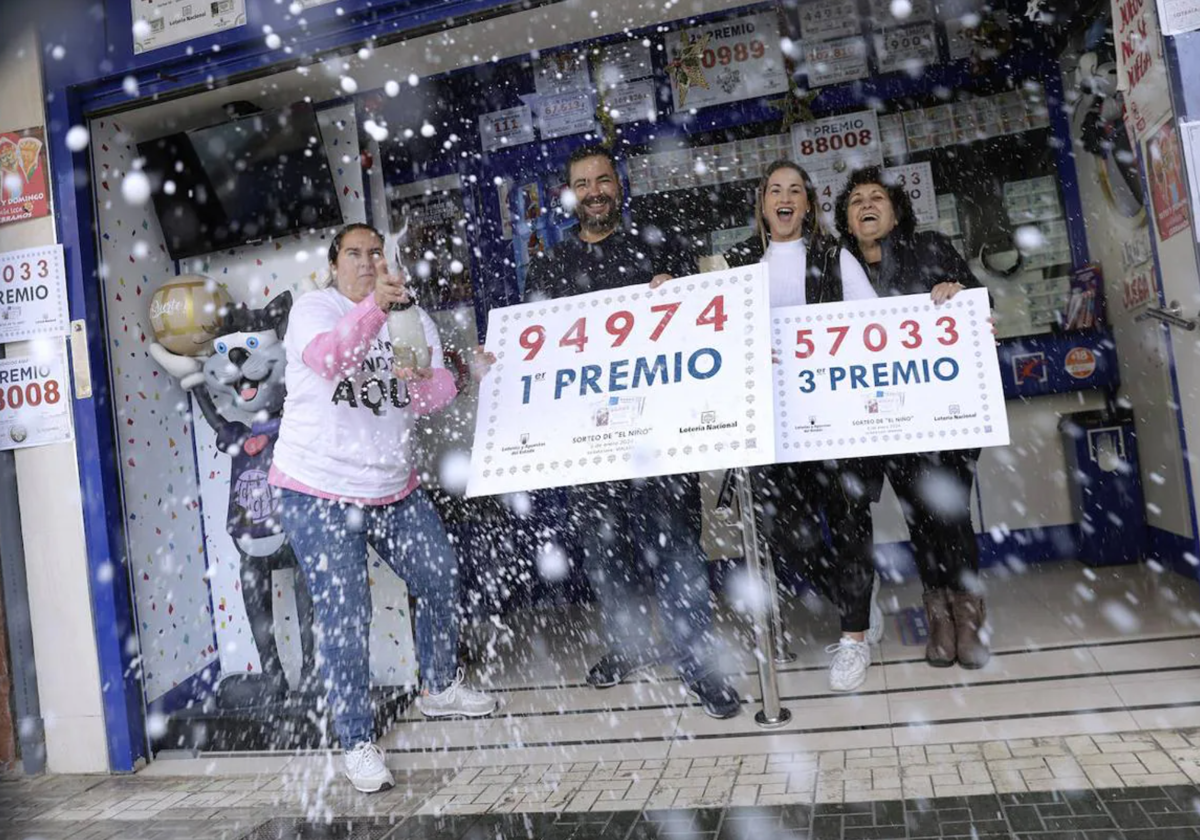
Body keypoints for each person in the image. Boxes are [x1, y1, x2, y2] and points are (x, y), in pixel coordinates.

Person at [270, 222, 497, 794]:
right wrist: (373, 308)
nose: (367, 261)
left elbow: (430, 394)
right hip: (316, 487)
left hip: (390, 485)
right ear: (334, 263)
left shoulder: (408, 315)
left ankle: (439, 687)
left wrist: (436, 377)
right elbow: (331, 361)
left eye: (376, 252)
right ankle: (355, 739)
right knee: (346, 615)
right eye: (355, 253)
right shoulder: (312, 310)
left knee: (438, 574)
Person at [524, 144, 741, 719]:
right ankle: (627, 648)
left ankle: (699, 663)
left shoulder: (661, 244)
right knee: (604, 557)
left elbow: (705, 321)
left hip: (662, 435)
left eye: (603, 180)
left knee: (679, 555)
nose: (594, 191)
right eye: (582, 182)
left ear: (618, 185)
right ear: (569, 195)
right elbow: (534, 352)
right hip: (591, 444)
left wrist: (683, 293)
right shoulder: (550, 266)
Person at [715, 159, 884, 693]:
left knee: (851, 522)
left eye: (795, 190)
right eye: (774, 190)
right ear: (762, 202)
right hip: (772, 426)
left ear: (808, 204)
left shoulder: (836, 257)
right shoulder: (737, 263)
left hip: (836, 420)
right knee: (788, 536)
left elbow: (873, 324)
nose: (784, 199)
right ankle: (852, 596)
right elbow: (715, 335)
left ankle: (854, 638)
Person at [835, 167, 990, 670]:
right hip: (888, 422)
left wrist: (959, 292)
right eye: (855, 201)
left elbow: (981, 308)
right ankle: (938, 615)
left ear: (895, 210)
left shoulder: (931, 248)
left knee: (952, 513)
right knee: (919, 518)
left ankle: (967, 619)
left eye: (876, 197)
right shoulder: (838, 269)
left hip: (945, 415)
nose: (866, 205)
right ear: (848, 220)